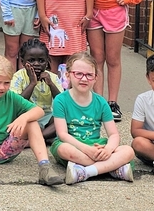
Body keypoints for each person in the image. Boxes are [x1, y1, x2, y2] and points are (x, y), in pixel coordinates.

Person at [0, 55, 64, 188]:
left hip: (5, 150)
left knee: (31, 121)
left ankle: (45, 167)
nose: (2, 88)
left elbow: (39, 111)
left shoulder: (10, 96)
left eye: (6, 83)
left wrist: (23, 118)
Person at [53, 52, 135, 184]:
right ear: (68, 75)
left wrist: (108, 149)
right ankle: (112, 168)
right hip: (73, 145)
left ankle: (85, 172)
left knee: (128, 151)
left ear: (96, 78)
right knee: (64, 149)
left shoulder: (101, 102)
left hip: (97, 145)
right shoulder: (60, 100)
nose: (84, 79)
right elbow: (62, 134)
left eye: (89, 75)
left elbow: (113, 134)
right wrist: (86, 149)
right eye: (78, 74)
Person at [10, 38, 62, 141]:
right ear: (23, 62)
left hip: (47, 117)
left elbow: (62, 101)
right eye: (31, 60)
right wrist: (32, 83)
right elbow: (16, 105)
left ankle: (37, 138)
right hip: (26, 117)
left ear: (47, 62)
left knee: (62, 119)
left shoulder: (53, 77)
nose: (37, 64)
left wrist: (51, 84)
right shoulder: (18, 76)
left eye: (41, 61)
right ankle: (44, 137)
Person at [131, 54, 154, 165]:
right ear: (148, 78)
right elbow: (135, 131)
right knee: (138, 143)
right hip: (151, 143)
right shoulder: (143, 99)